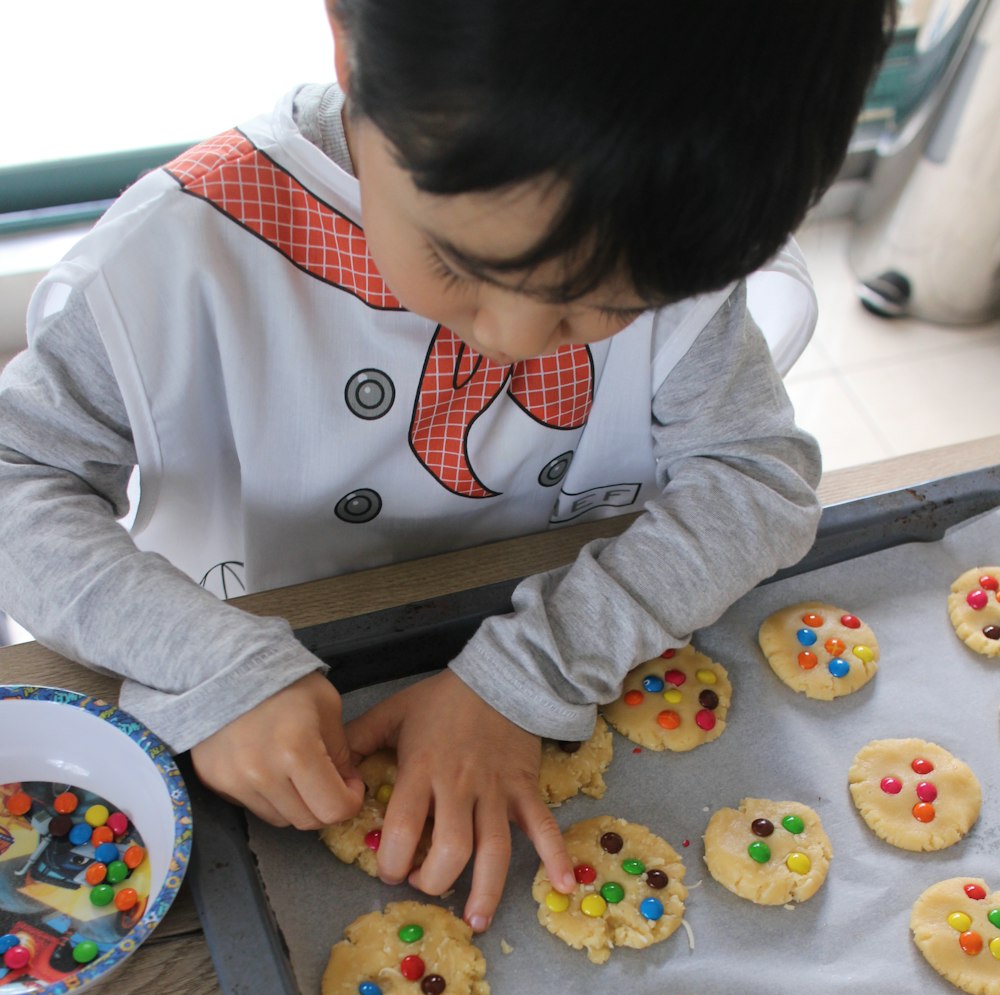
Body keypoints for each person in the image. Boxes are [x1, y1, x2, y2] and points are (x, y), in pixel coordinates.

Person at [0, 0, 894, 931]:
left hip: (536, 644)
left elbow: (758, 479)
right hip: (243, 682)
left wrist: (525, 674)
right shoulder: (177, 262)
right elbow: (18, 477)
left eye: (606, 307)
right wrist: (211, 665)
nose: (513, 342)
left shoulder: (676, 217)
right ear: (350, 46)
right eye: (457, 263)